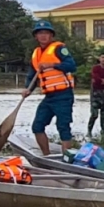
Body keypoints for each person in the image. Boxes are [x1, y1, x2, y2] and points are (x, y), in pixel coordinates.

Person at [26, 19, 78, 156]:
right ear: (36, 36)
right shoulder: (35, 54)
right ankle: (46, 156)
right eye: (40, 33)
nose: (43, 36)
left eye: (46, 33)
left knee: (63, 128)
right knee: (37, 126)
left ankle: (68, 159)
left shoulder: (59, 48)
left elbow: (71, 65)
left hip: (64, 95)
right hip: (49, 97)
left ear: (51, 35)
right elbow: (32, 75)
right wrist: (27, 89)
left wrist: (52, 65)